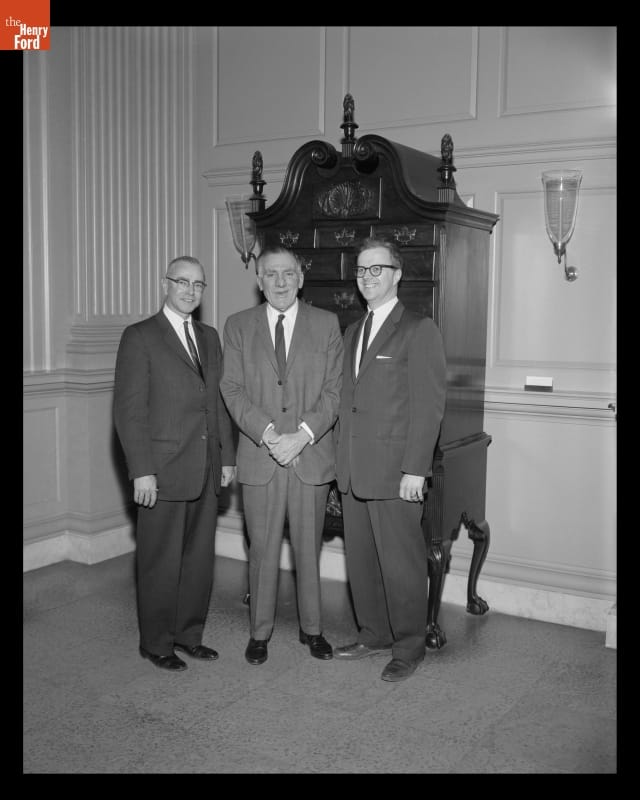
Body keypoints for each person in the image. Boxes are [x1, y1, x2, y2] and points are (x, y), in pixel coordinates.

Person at [220, 245, 343, 665]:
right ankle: (260, 632)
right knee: (262, 550)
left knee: (309, 550)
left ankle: (313, 629)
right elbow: (231, 389)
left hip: (310, 455)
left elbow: (334, 391)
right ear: (259, 281)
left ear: (300, 278)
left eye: (288, 273)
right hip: (262, 456)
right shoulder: (238, 326)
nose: (280, 282)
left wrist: (302, 435)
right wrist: (269, 434)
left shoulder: (326, 324)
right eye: (270, 274)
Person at [113, 256, 236, 671]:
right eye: (182, 281)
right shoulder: (140, 336)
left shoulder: (209, 336)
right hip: (161, 471)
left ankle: (189, 635)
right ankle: (156, 643)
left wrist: (227, 457)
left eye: (198, 284)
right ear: (165, 283)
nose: (190, 290)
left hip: (205, 468)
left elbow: (217, 401)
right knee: (159, 561)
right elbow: (129, 412)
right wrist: (141, 471)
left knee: (198, 561)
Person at [333, 236, 447, 682]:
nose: (367, 277)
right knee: (361, 563)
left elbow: (428, 407)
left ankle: (409, 647)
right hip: (353, 471)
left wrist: (415, 469)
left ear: (397, 275)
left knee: (401, 566)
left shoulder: (418, 329)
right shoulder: (352, 331)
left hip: (396, 473)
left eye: (376, 269)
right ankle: (374, 633)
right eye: (361, 269)